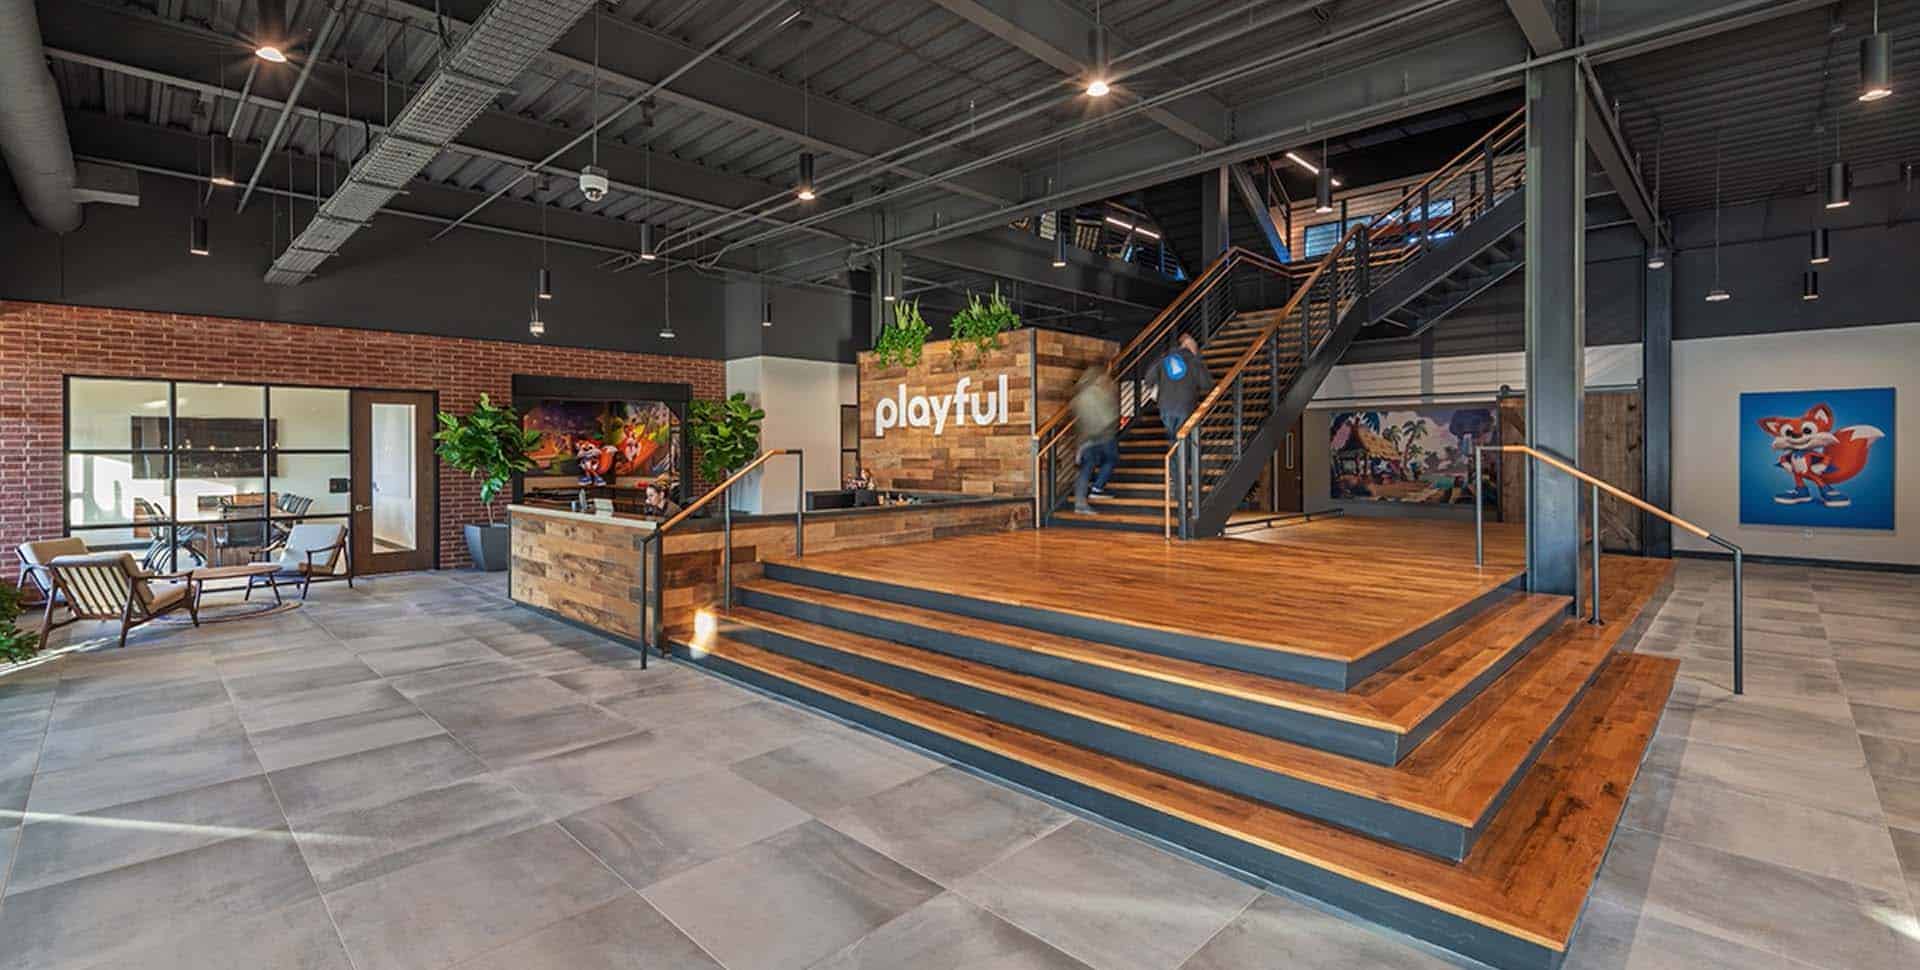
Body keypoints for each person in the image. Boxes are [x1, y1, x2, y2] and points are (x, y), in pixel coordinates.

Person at [1070, 365, 1120, 515]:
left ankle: (1080, 503)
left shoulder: (1078, 398)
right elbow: (1110, 415)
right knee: (1111, 459)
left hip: (1085, 440)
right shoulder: (1100, 393)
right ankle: (1097, 488)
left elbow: (1078, 421)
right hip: (1104, 436)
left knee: (1086, 468)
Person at [1153, 333, 1212, 445]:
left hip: (1165, 407)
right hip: (1185, 405)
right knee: (1184, 439)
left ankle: (1174, 455)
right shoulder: (1194, 361)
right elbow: (1206, 384)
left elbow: (1149, 378)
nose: (1196, 351)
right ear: (1189, 347)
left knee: (1172, 439)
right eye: (1195, 348)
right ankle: (1183, 455)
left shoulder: (1165, 359)